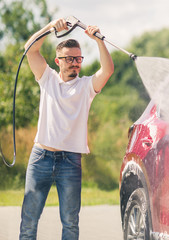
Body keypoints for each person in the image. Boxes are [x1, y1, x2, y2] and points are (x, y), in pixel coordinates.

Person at [19, 18, 114, 240]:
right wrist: (51, 28)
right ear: (58, 61)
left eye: (78, 59)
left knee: (70, 223)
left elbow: (107, 70)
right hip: (40, 156)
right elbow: (29, 50)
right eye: (69, 59)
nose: (75, 63)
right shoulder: (47, 78)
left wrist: (99, 41)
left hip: (70, 161)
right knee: (29, 221)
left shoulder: (86, 87)